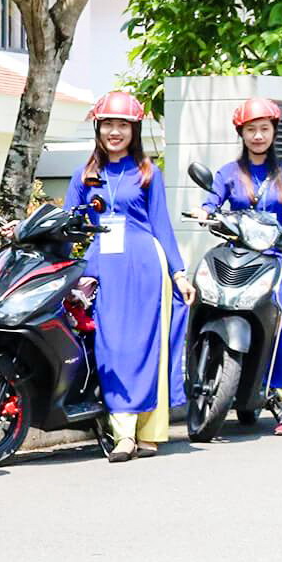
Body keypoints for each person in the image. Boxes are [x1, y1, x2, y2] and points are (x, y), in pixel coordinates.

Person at [68, 90, 191, 463]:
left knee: (147, 347)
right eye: (108, 124)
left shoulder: (148, 172)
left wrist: (179, 273)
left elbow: (162, 226)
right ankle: (123, 434)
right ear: (98, 128)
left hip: (145, 266)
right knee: (112, 347)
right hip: (104, 268)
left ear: (134, 130)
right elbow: (68, 225)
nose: (115, 132)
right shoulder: (85, 176)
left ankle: (148, 433)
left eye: (122, 125)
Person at [194, 97, 282, 434]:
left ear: (274, 131)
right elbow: (211, 201)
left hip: (275, 259)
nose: (258, 136)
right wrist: (204, 211)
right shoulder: (228, 173)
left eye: (264, 129)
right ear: (241, 133)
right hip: (237, 254)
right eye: (251, 130)